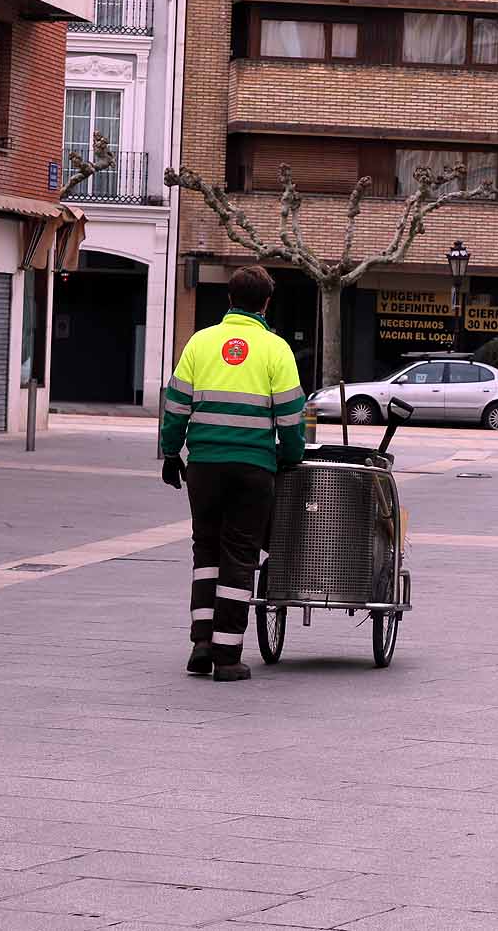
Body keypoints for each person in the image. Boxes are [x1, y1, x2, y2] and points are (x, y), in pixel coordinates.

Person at [159, 265, 306, 682]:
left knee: (205, 552)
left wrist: (172, 454)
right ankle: (227, 655)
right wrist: (289, 455)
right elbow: (292, 417)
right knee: (239, 557)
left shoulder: (199, 343)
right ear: (266, 302)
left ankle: (201, 644)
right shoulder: (275, 349)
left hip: (204, 467)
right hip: (253, 469)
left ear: (229, 299)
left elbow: (175, 406)